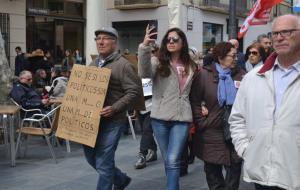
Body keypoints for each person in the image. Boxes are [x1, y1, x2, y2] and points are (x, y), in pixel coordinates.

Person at [229, 14, 300, 190]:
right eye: (275, 33)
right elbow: (237, 118)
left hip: (295, 173)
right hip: (262, 173)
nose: (279, 37)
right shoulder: (254, 77)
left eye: (287, 32)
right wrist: (247, 150)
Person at [84, 26, 143, 190]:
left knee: (104, 161)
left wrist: (115, 108)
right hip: (92, 120)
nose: (100, 42)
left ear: (114, 43)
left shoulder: (123, 65)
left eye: (105, 38)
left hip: (113, 121)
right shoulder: (93, 63)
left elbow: (133, 91)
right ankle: (121, 180)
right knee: (91, 158)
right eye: (98, 39)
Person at [138, 26, 196, 190]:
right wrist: (144, 47)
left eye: (175, 39)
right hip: (160, 119)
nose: (170, 42)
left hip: (182, 118)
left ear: (182, 42)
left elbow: (195, 91)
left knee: (172, 159)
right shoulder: (158, 62)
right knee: (169, 160)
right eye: (168, 39)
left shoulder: (191, 65)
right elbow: (144, 76)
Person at [190, 42, 245, 190]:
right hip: (211, 132)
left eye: (236, 56)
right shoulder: (204, 75)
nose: (236, 59)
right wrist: (202, 122)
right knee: (213, 172)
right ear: (220, 57)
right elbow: (195, 100)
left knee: (234, 170)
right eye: (232, 56)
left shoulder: (242, 75)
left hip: (234, 131)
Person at [134, 44, 159, 170]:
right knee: (146, 131)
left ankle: (142, 154)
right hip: (141, 105)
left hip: (152, 106)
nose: (151, 54)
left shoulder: (156, 65)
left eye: (153, 51)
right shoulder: (137, 68)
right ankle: (153, 151)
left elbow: (149, 90)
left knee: (146, 131)